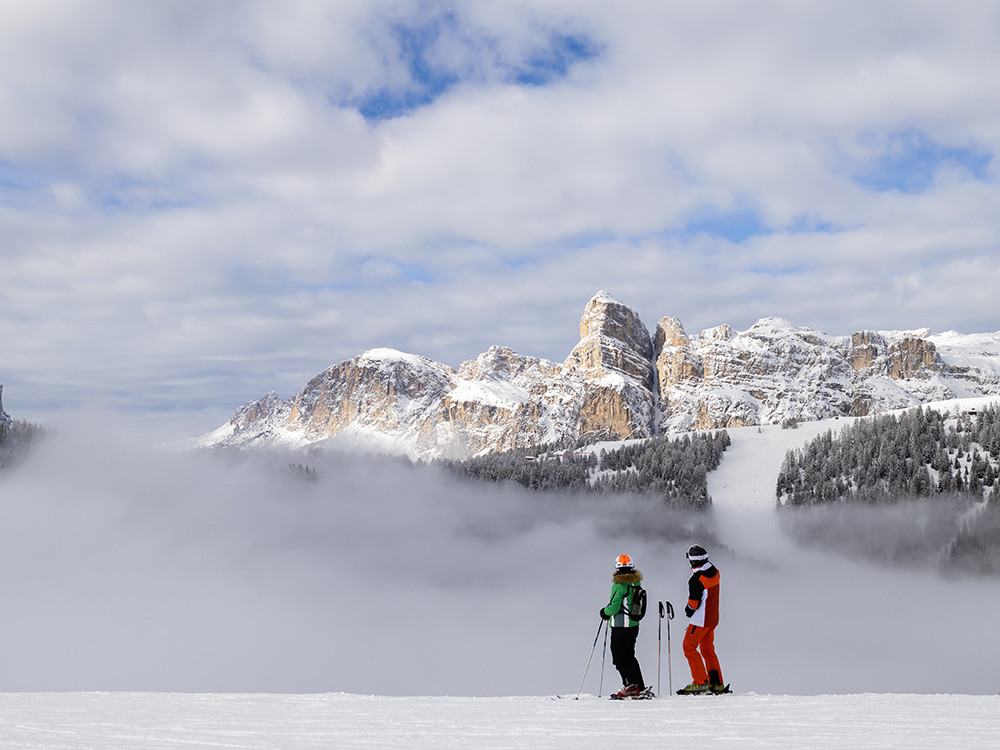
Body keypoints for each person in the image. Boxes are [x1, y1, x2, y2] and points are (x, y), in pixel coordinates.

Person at [678, 544, 726, 694]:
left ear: (692, 562)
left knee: (689, 647)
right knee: (707, 649)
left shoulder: (696, 580)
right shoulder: (716, 572)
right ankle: (716, 682)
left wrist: (688, 610)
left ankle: (701, 682)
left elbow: (693, 604)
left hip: (700, 620)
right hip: (712, 619)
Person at [599, 553, 646, 698]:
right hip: (633, 625)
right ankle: (639, 685)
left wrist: (604, 612)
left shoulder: (619, 586)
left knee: (619, 658)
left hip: (620, 626)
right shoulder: (636, 584)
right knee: (630, 656)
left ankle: (630, 686)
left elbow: (614, 607)